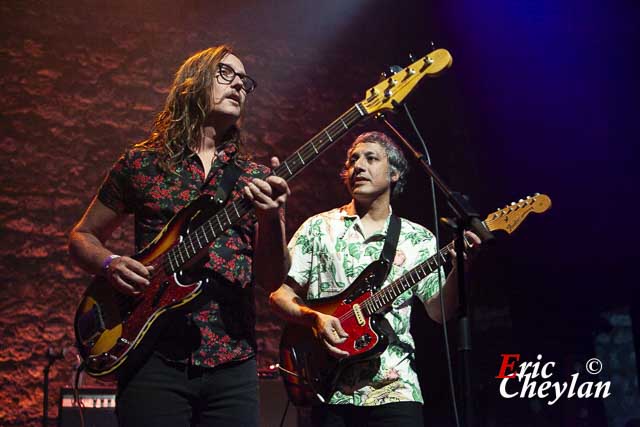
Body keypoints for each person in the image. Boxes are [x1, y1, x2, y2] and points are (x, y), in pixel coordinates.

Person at [68, 45, 290, 427]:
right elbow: (82, 236)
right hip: (152, 356)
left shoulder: (255, 178)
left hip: (232, 362)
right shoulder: (141, 163)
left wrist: (273, 219)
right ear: (191, 84)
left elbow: (272, 280)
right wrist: (110, 264)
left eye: (244, 80)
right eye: (225, 73)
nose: (238, 83)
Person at [269, 131, 481, 426]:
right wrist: (313, 319)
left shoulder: (417, 238)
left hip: (396, 390)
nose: (358, 166)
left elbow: (439, 312)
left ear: (394, 173)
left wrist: (462, 270)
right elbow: (278, 295)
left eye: (371, 158)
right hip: (330, 391)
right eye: (353, 159)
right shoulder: (318, 228)